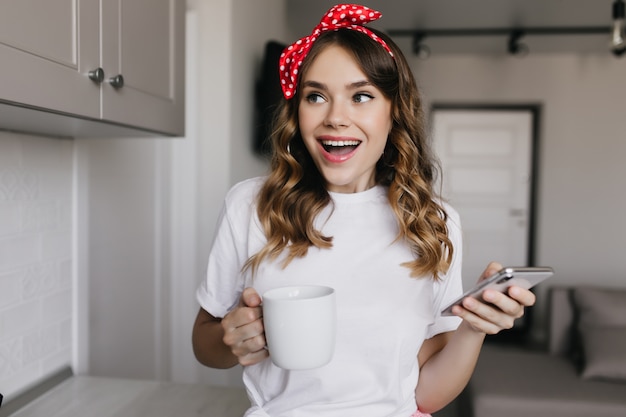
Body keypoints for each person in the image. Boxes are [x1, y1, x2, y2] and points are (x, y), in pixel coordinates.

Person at [192, 4, 535, 417]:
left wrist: (473, 329)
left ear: (394, 110)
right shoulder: (250, 205)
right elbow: (205, 344)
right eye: (315, 96)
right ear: (296, 112)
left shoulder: (433, 223)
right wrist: (231, 338)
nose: (336, 117)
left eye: (361, 96)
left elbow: (426, 396)